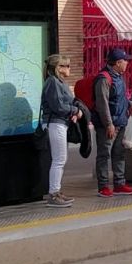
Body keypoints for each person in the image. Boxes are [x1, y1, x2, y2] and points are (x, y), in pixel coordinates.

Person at [92, 48, 132, 197]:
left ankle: (119, 184)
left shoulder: (118, 77)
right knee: (104, 155)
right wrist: (108, 124)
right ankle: (103, 186)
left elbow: (120, 96)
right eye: (125, 61)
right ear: (118, 63)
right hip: (108, 125)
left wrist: (129, 105)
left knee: (119, 154)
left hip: (120, 121)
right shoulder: (104, 79)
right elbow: (102, 103)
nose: (127, 63)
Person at [40, 54, 80, 208]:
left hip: (60, 123)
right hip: (55, 124)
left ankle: (56, 191)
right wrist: (75, 110)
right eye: (67, 65)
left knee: (60, 159)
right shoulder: (53, 82)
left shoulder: (58, 82)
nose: (69, 68)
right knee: (59, 159)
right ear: (58, 68)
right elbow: (58, 106)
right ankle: (53, 194)